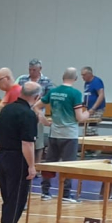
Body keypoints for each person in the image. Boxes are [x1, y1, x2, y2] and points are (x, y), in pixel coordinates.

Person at [0, 81, 42, 223]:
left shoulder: (6, 109)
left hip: (0, 155)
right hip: (17, 158)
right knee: (17, 197)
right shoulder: (28, 114)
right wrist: (31, 166)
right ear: (37, 97)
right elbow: (27, 143)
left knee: (7, 195)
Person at [40, 68, 90, 202]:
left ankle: (45, 192)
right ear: (76, 79)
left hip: (54, 133)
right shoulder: (75, 94)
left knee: (50, 163)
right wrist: (88, 113)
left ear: (63, 77)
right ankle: (65, 194)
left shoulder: (53, 91)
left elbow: (36, 107)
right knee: (69, 165)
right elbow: (79, 117)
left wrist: (44, 121)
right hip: (69, 135)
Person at [16, 60, 51, 165]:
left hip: (38, 114)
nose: (31, 72)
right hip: (23, 113)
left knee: (38, 142)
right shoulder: (22, 79)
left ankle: (37, 164)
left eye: (34, 70)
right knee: (24, 139)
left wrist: (38, 104)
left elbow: (49, 97)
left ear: (40, 69)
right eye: (30, 70)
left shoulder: (46, 81)